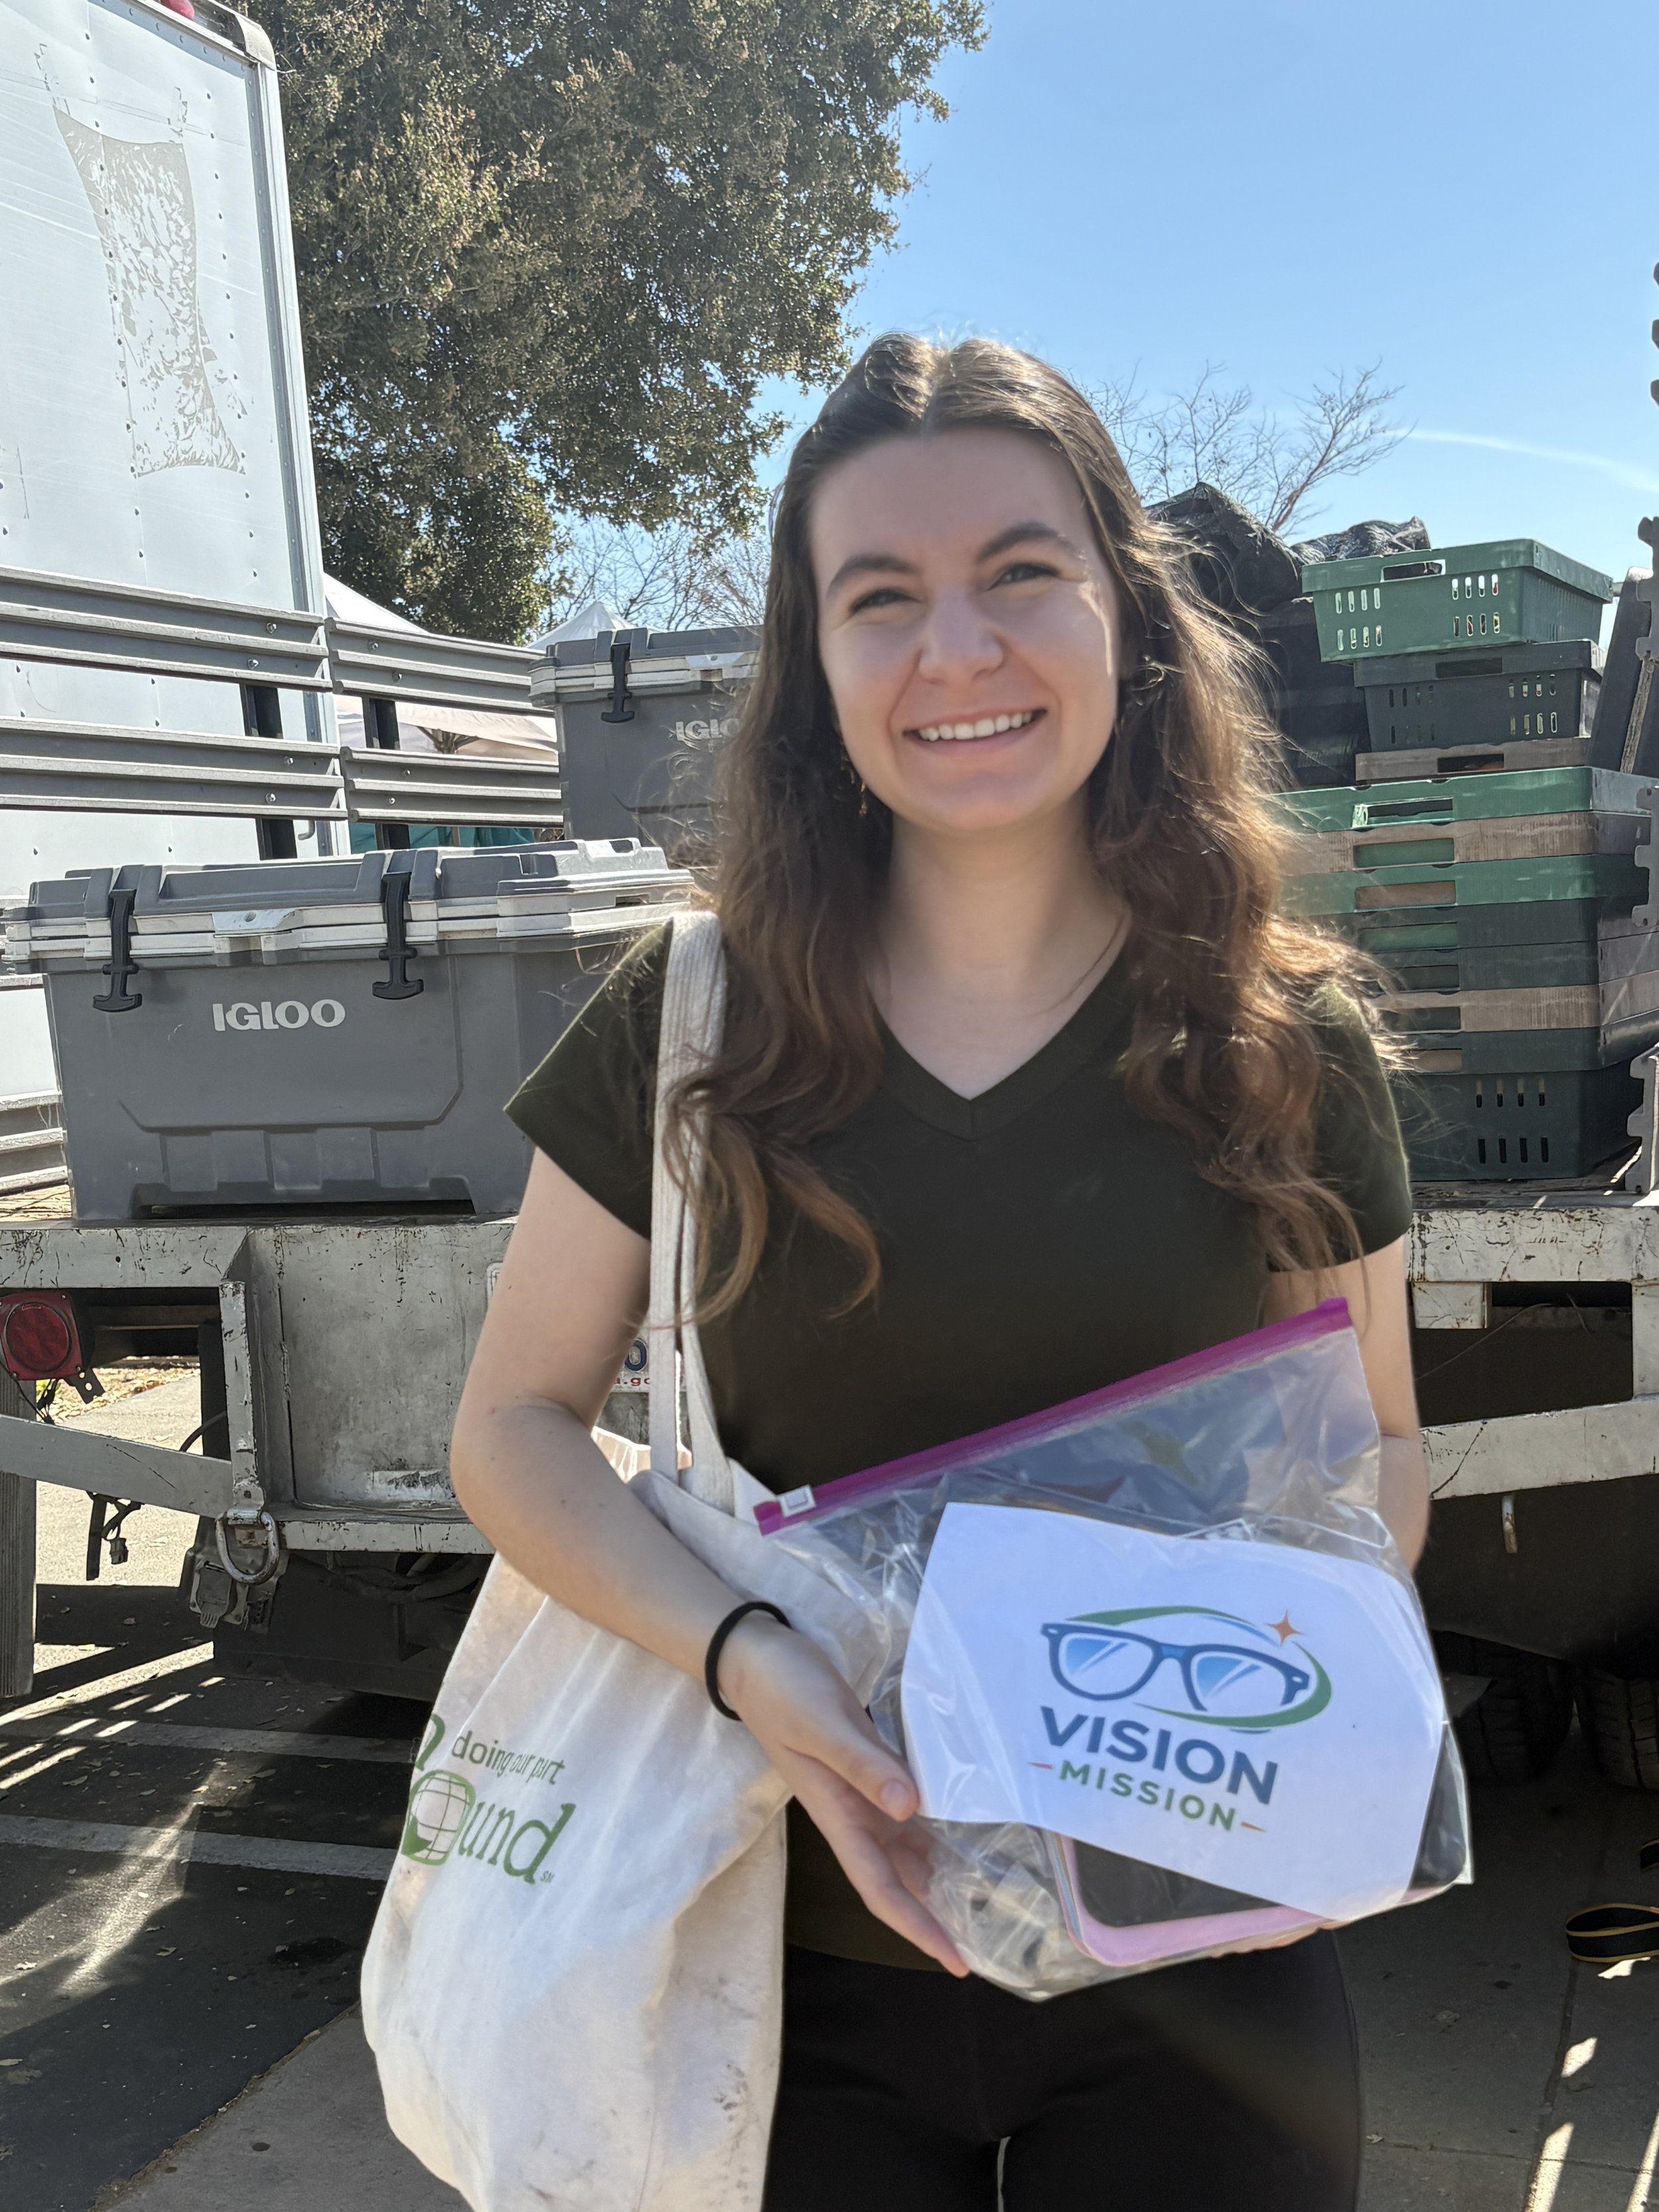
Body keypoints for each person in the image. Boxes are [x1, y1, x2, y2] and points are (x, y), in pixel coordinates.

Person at [450, 334, 1428, 2212]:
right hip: (768, 1980)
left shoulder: (1285, 1043)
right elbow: (509, 1426)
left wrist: (1178, 1702)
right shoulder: (684, 1023)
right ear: (812, 669)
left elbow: (1377, 1454)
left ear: (1125, 617)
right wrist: (744, 1659)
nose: (954, 649)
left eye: (1018, 572)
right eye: (877, 598)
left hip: (1202, 1969)